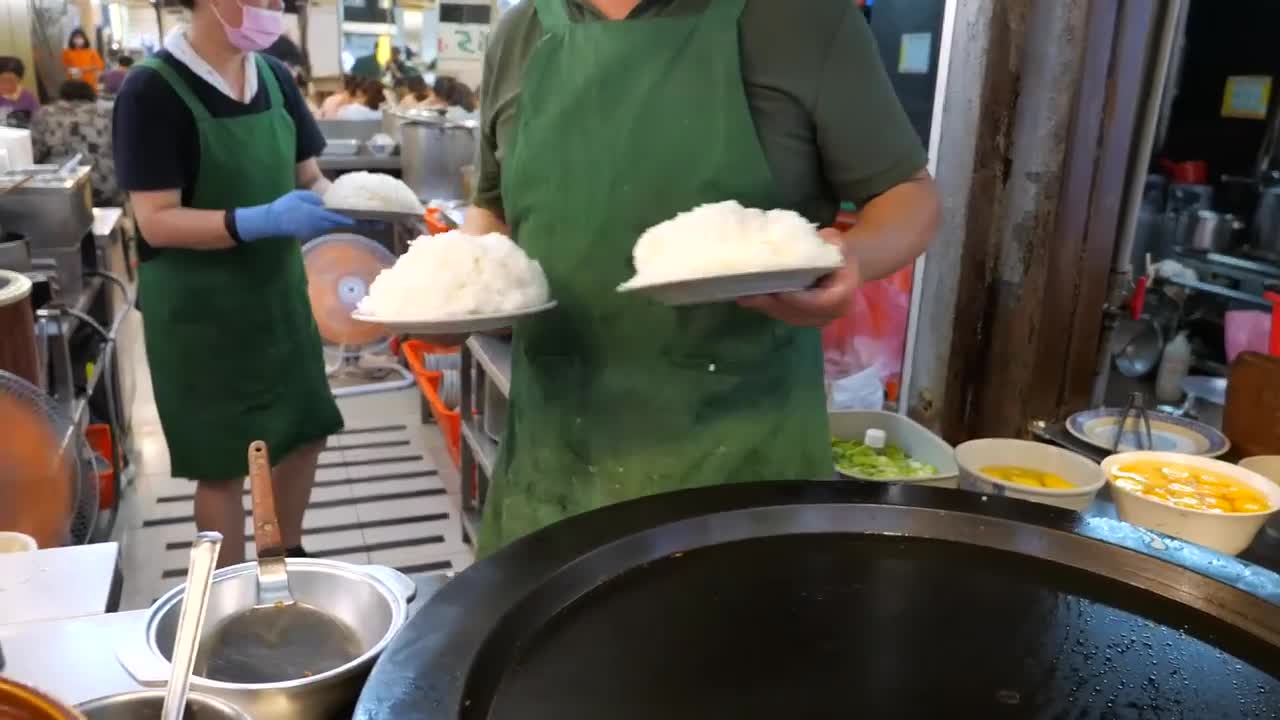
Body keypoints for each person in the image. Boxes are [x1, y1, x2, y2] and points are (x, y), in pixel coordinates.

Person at [464, 0, 941, 555]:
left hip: (745, 474)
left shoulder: (806, 19)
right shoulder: (518, 33)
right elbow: (492, 211)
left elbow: (910, 197)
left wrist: (852, 256)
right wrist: (461, 287)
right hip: (552, 471)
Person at [112, 0, 353, 567]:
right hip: (201, 315)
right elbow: (155, 219)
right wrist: (257, 219)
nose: (271, 7)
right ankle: (232, 589)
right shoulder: (152, 91)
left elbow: (309, 177)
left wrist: (362, 207)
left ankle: (286, 556)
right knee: (223, 465)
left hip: (275, 298)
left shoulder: (272, 76)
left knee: (303, 433)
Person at [30, 80, 121, 205]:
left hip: (64, 189)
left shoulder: (44, 114)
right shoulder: (106, 114)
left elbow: (34, 154)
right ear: (91, 96)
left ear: (62, 95)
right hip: (106, 187)